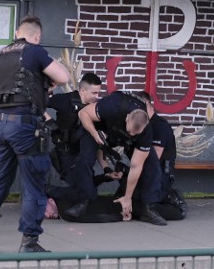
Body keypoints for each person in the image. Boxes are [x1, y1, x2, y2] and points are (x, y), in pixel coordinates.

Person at [0, 15, 70, 254]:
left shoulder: (0, 55)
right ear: (37, 36)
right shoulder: (34, 51)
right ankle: (29, 242)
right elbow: (64, 77)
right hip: (25, 126)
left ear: (16, 32)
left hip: (0, 125)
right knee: (34, 184)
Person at [78, 90, 167, 226]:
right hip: (100, 129)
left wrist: (127, 197)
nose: (131, 134)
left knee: (152, 163)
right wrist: (95, 135)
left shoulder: (145, 131)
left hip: (122, 138)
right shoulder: (113, 105)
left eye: (135, 133)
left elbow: (136, 166)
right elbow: (82, 113)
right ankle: (83, 201)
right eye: (130, 130)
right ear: (127, 118)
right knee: (85, 158)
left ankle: (149, 208)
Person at [45, 72, 104, 208]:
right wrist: (48, 120)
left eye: (98, 93)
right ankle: (45, 190)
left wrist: (105, 168)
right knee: (87, 193)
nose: (97, 97)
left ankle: (47, 191)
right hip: (65, 156)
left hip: (83, 158)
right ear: (82, 90)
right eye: (94, 93)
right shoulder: (65, 100)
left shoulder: (95, 109)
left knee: (88, 194)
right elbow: (37, 103)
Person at [133, 91, 187, 219]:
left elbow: (154, 158)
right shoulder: (144, 124)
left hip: (160, 173)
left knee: (141, 206)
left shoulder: (159, 126)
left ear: (148, 106)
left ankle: (171, 199)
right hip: (147, 171)